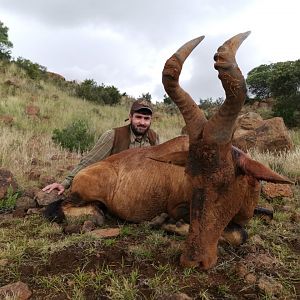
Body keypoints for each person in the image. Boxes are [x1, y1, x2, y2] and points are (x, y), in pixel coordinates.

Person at [42, 99, 159, 195]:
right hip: (114, 191)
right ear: (130, 117)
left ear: (151, 120)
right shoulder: (112, 136)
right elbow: (88, 161)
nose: (142, 122)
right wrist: (64, 184)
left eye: (146, 118)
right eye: (138, 117)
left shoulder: (154, 138)